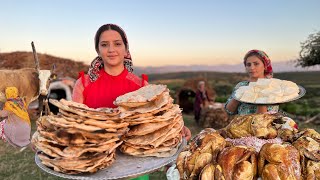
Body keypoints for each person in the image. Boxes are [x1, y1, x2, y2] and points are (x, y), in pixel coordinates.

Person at [72, 24, 191, 180]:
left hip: (135, 167)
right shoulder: (84, 84)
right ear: (98, 50)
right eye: (104, 45)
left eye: (117, 43)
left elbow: (159, 121)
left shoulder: (141, 87)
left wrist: (177, 127)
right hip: (94, 166)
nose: (111, 49)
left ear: (126, 48)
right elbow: (72, 124)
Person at [224, 49, 279, 115]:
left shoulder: (272, 87)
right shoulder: (241, 85)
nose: (252, 68)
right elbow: (229, 111)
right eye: (248, 64)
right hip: (240, 124)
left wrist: (260, 95)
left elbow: (265, 118)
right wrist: (238, 96)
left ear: (265, 66)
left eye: (256, 64)